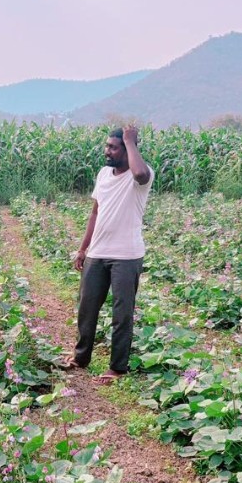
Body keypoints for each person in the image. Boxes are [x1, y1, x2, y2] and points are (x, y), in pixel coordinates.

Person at [63, 124, 153, 384]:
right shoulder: (103, 174)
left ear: (128, 150)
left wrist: (130, 140)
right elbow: (95, 212)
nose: (107, 151)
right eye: (107, 146)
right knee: (86, 307)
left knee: (121, 314)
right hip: (98, 252)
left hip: (127, 255)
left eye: (113, 147)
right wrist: (83, 248)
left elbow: (140, 173)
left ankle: (118, 368)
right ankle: (81, 357)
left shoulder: (141, 175)